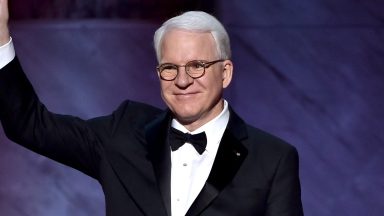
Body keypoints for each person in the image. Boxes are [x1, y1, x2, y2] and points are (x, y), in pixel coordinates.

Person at [0, 0, 303, 215]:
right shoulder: (123, 134)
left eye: (197, 66)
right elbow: (29, 125)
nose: (183, 80)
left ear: (225, 73)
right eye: (170, 67)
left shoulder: (273, 158)